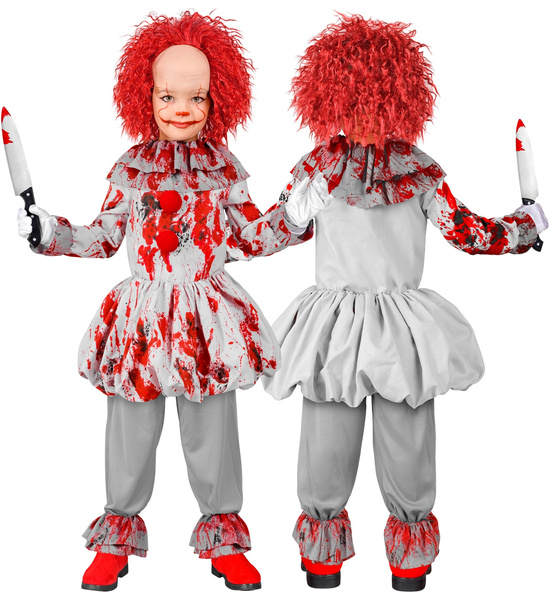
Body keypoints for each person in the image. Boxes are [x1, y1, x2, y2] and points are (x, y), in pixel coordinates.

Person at [16, 12, 313, 592]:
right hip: (144, 317)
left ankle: (223, 538)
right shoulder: (131, 170)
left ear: (216, 99)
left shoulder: (223, 170)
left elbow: (250, 238)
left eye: (196, 97)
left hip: (208, 318)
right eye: (167, 95)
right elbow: (104, 238)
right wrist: (51, 233)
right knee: (130, 426)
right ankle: (117, 535)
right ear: (145, 96)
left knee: (214, 430)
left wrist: (295, 215)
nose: (181, 109)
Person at [262, 15, 547, 592]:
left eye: (376, 97)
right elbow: (272, 232)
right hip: (338, 326)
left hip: (391, 325)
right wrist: (526, 225)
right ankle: (328, 557)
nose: (366, 111)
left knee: (406, 441)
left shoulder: (412, 172)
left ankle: (401, 558)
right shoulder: (323, 170)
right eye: (355, 97)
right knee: (327, 439)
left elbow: (466, 232)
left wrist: (524, 227)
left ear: (399, 99)